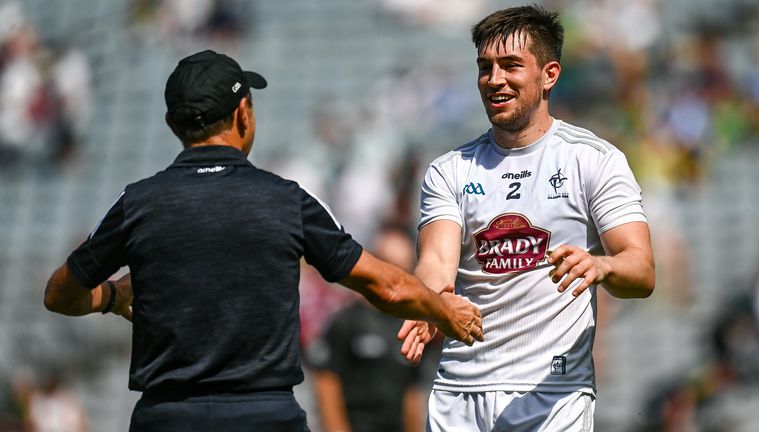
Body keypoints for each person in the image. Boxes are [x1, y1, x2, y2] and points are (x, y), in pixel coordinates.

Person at [43, 49, 483, 432]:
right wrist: (442, 309)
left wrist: (113, 295)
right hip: (264, 417)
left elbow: (59, 293)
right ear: (243, 114)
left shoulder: (136, 203)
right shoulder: (286, 200)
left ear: (171, 123)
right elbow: (383, 285)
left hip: (167, 418)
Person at [398, 5, 655, 431]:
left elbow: (641, 270)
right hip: (458, 394)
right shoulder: (450, 169)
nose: (494, 79)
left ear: (549, 75)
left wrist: (601, 265)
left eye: (511, 65)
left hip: (551, 394)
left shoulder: (594, 160)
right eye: (485, 67)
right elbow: (436, 263)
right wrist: (427, 300)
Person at [309, 222, 439, 432]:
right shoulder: (347, 321)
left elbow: (412, 395)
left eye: (403, 269)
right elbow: (326, 385)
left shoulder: (411, 327)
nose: (397, 278)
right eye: (389, 265)